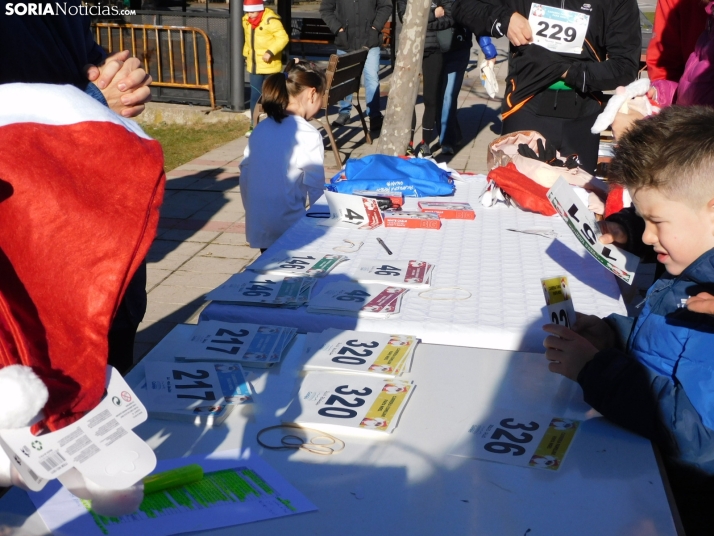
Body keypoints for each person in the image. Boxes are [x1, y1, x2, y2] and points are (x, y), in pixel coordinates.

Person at [542, 106, 714, 535]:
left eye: (656, 222)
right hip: (646, 476)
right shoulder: (688, 273)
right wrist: (611, 337)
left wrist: (595, 369)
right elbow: (664, 350)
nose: (648, 236)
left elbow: (694, 439)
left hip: (682, 507)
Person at [453, 0, 641, 174]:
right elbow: (461, 5)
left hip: (584, 115)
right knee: (516, 199)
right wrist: (505, 19)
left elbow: (625, 67)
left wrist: (566, 71)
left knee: (576, 203)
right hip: (525, 106)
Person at [240, 60, 327, 251]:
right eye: (322, 97)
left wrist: (253, 212)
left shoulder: (260, 129)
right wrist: (321, 229)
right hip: (291, 229)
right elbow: (316, 189)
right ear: (312, 94)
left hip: (259, 224)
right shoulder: (309, 134)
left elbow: (245, 176)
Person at [320, 0, 392, 132]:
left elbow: (386, 6)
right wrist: (339, 29)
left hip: (370, 41)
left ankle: (374, 115)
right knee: (344, 78)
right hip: (346, 41)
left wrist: (375, 28)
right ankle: (344, 112)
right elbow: (325, 9)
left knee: (372, 79)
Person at [397, 0, 454, 157]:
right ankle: (408, 143)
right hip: (412, 48)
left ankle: (425, 144)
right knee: (409, 99)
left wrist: (423, 22)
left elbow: (450, 18)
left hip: (434, 50)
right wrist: (432, 15)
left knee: (431, 99)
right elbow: (405, 17)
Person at [440, 32, 497, 154]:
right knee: (437, 97)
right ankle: (454, 134)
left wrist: (488, 50)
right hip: (435, 50)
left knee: (448, 96)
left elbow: (476, 19)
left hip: (458, 50)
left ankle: (447, 140)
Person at [242, 0, 290, 137]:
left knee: (273, 96)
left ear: (260, 10)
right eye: (247, 12)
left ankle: (275, 122)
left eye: (252, 12)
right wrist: (246, 54)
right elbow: (248, 40)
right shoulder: (246, 21)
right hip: (255, 66)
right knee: (255, 96)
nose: (249, 15)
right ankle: (253, 124)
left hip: (271, 67)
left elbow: (283, 38)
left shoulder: (271, 21)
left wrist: (271, 51)